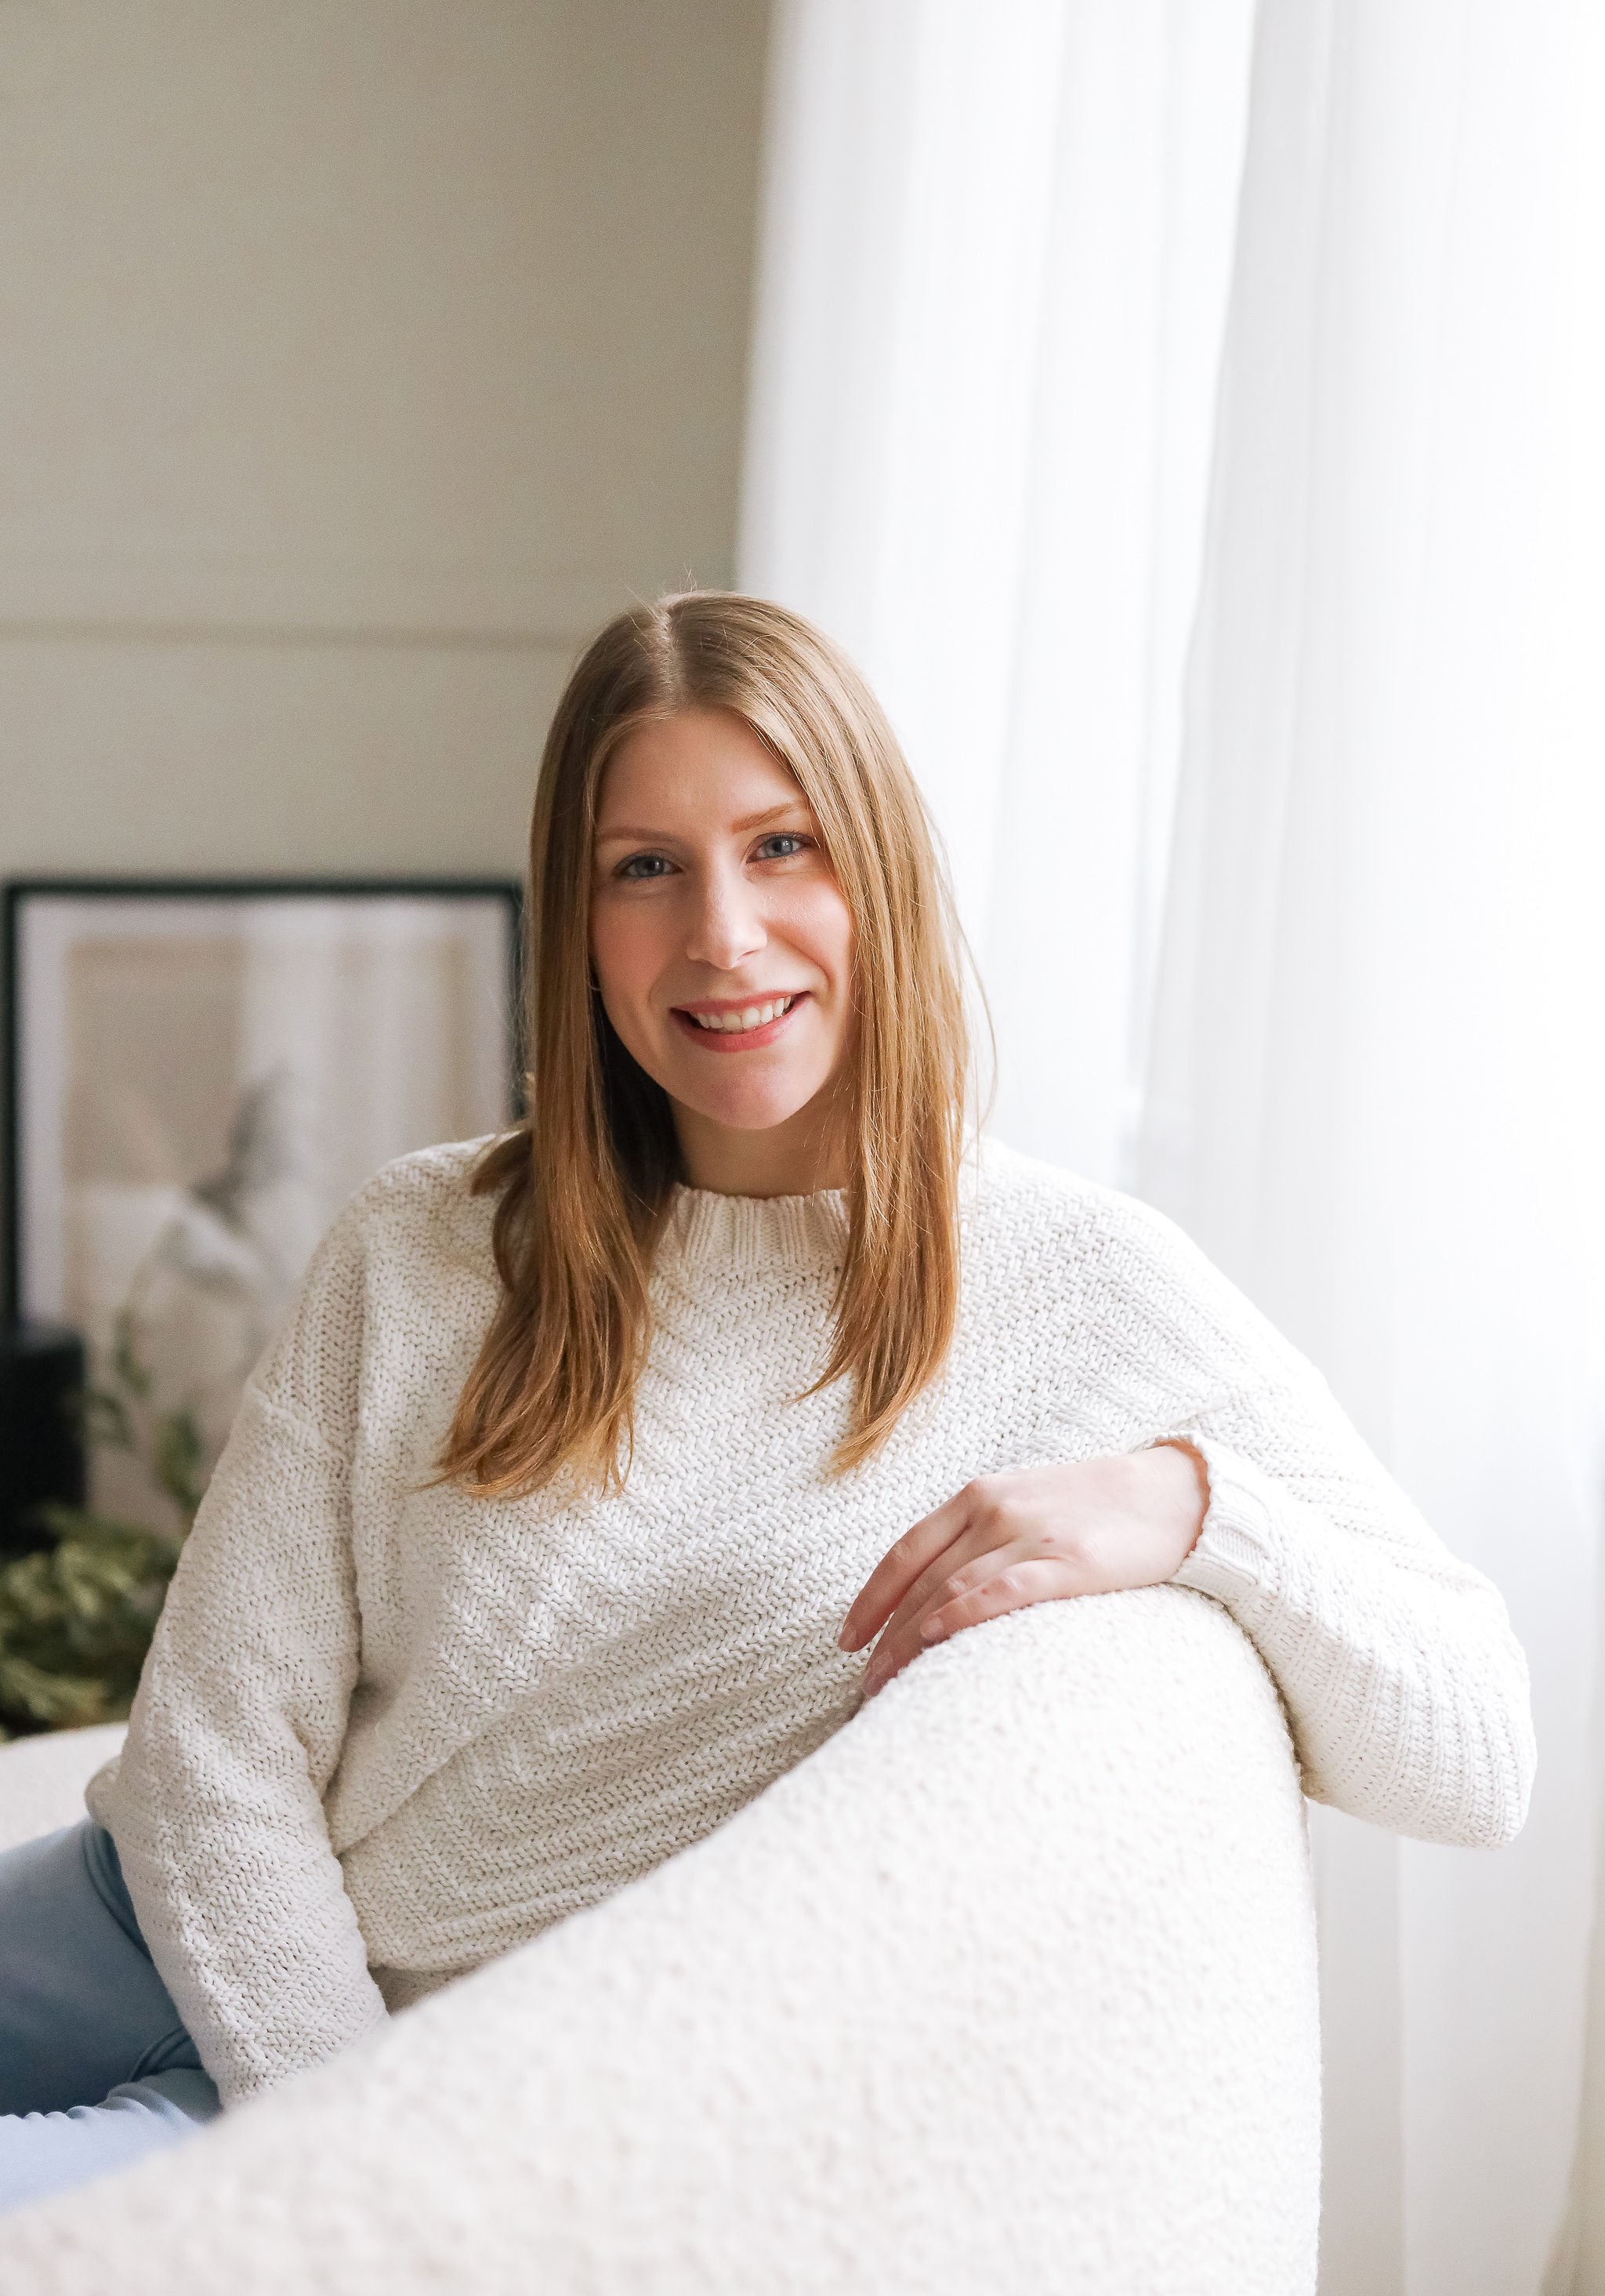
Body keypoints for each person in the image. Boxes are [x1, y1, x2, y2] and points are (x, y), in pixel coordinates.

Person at [0, 592, 1534, 2212]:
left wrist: (1192, 1500)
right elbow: (222, 1744)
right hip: (170, 1914)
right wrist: (338, 2112)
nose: (720, 933)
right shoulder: (423, 1241)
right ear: (578, 919)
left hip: (448, 2056)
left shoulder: (1081, 1284)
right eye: (643, 866)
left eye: (783, 845)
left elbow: (1478, 1749)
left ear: (878, 870)